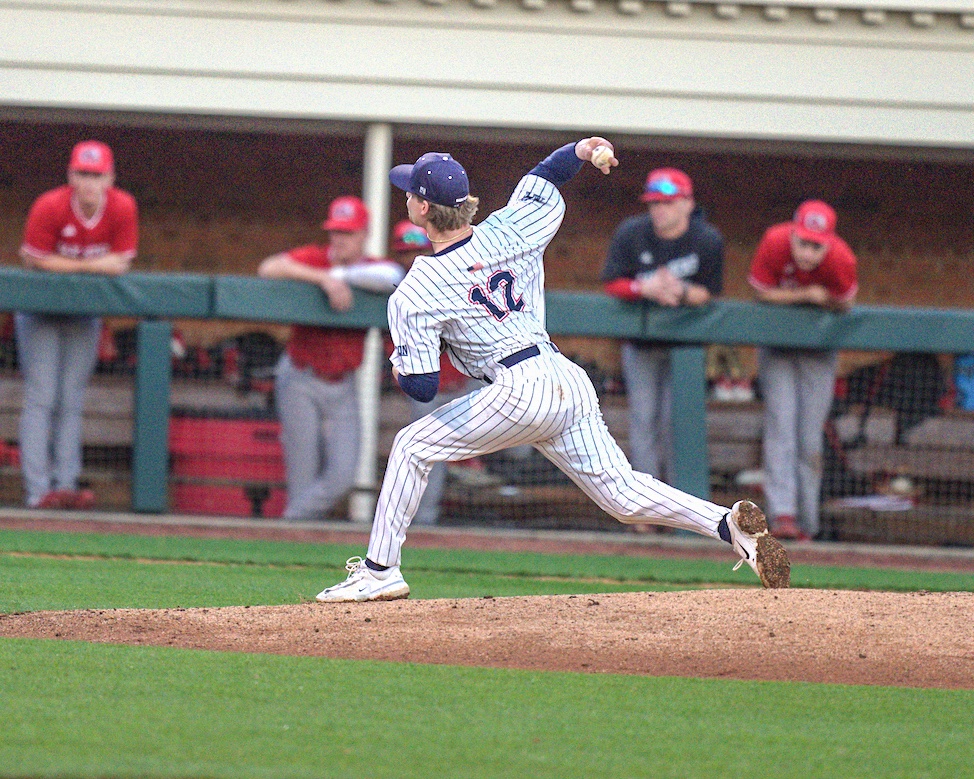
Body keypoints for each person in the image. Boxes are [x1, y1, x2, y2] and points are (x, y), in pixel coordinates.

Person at [315, 138, 790, 602]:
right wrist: (583, 150)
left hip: (515, 389)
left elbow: (421, 388)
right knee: (622, 495)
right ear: (465, 204)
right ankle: (726, 525)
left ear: (421, 209)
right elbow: (546, 175)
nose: (407, 198)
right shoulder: (509, 227)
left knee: (409, 445)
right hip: (564, 377)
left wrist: (401, 363)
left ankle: (380, 571)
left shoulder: (417, 288)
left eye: (410, 193)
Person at [258, 196, 404, 520]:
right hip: (300, 376)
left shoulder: (371, 267)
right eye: (335, 231)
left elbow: (394, 275)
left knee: (342, 476)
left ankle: (288, 526)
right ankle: (295, 543)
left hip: (343, 384)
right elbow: (269, 268)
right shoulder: (314, 258)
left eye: (348, 233)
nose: (339, 239)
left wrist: (343, 276)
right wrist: (322, 278)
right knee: (302, 476)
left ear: (364, 234)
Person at [16, 140, 138, 510]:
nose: (89, 183)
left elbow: (122, 263)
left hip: (84, 314)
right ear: (71, 175)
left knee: (71, 400)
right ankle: (38, 491)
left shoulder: (122, 205)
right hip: (39, 311)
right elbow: (34, 260)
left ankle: (65, 485)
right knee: (42, 398)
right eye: (83, 174)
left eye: (97, 175)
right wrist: (92, 266)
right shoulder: (50, 204)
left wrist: (75, 265)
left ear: (110, 178)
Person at [601, 167, 724, 486]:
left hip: (686, 347)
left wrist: (680, 291)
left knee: (679, 422)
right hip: (640, 344)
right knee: (644, 422)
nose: (659, 209)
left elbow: (709, 292)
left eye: (667, 203)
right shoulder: (632, 233)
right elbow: (612, 283)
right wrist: (645, 288)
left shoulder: (707, 239)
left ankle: (679, 498)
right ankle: (646, 500)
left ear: (686, 203)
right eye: (654, 203)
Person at [748, 199, 858, 541]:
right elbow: (759, 290)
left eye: (816, 246)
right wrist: (808, 294)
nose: (808, 253)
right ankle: (784, 515)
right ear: (793, 234)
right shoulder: (774, 240)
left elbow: (845, 302)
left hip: (819, 352)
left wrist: (821, 297)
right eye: (803, 242)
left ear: (828, 242)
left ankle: (807, 522)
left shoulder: (842, 257)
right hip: (778, 348)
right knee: (781, 426)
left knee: (810, 436)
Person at [388, 221, 499, 525]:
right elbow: (374, 274)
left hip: (467, 383)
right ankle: (424, 520)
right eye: (404, 254)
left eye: (418, 252)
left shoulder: (457, 275)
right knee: (425, 450)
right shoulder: (393, 284)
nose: (411, 260)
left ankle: (470, 462)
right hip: (425, 387)